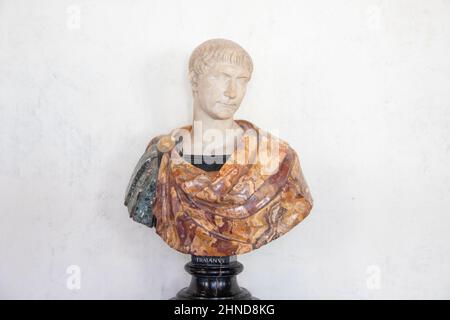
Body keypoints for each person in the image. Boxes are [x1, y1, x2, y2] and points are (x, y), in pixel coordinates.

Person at [125, 39, 313, 256]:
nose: (232, 92)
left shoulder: (276, 159)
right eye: (223, 77)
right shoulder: (160, 158)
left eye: (242, 80)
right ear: (195, 81)